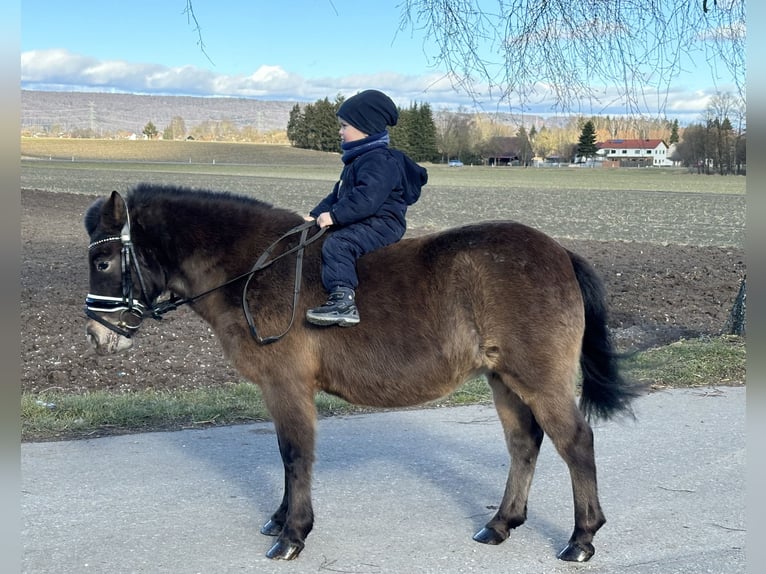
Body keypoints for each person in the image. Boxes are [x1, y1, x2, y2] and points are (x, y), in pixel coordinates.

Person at [305, 89, 428, 327]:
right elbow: (338, 194)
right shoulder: (358, 160)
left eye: (344, 126)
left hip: (382, 223)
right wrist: (314, 215)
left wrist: (335, 216)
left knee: (339, 243)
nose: (339, 131)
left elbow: (366, 199)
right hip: (367, 218)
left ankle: (343, 302)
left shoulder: (379, 161)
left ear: (365, 128)